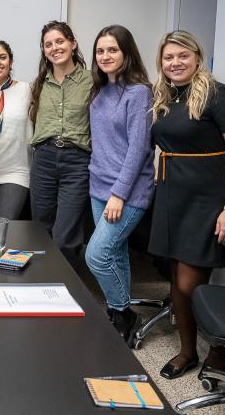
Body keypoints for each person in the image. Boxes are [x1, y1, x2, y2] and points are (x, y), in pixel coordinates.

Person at [148, 30, 225, 379]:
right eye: (168, 57)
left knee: (192, 284)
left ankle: (218, 352)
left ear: (197, 57)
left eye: (182, 56)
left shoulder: (220, 96)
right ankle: (188, 351)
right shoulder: (167, 96)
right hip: (172, 196)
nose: (175, 63)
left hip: (207, 200)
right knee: (176, 282)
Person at [84, 25, 155, 342]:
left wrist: (118, 195)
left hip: (126, 192)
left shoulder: (138, 93)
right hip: (98, 187)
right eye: (100, 50)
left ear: (126, 53)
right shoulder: (98, 90)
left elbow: (139, 149)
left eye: (112, 50)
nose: (105, 56)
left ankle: (123, 311)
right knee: (116, 253)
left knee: (96, 255)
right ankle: (121, 313)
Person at [29, 20, 93, 262]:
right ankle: (44, 286)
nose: (54, 47)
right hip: (44, 159)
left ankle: (67, 291)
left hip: (77, 162)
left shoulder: (92, 81)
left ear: (73, 44)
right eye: (48, 44)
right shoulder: (39, 83)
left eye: (59, 41)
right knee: (41, 230)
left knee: (65, 236)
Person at [0, 40, 32, 220]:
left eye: (3, 57)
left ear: (11, 61)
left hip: (15, 172)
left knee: (3, 229)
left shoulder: (27, 90)